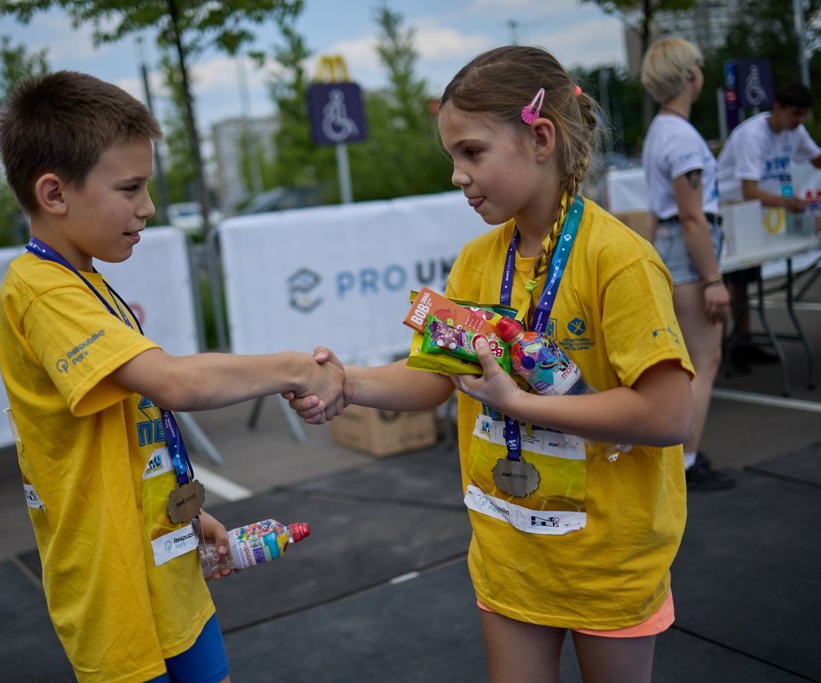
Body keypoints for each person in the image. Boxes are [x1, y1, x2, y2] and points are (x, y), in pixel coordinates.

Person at [289, 46, 694, 683]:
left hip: (609, 559)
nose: (457, 174)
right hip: (510, 552)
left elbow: (669, 413)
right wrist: (348, 383)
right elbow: (432, 378)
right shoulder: (476, 261)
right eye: (451, 156)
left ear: (539, 139)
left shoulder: (619, 259)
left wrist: (521, 405)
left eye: (472, 152)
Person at [0, 71, 345, 683]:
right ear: (54, 194)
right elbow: (175, 384)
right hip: (115, 589)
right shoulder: (40, 291)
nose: (148, 206)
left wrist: (179, 511)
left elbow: (130, 424)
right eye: (130, 187)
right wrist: (292, 368)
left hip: (164, 558)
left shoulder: (86, 282)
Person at [640, 37, 736, 492]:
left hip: (675, 247)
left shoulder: (662, 129)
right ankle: (686, 463)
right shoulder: (680, 137)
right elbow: (692, 214)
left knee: (690, 362)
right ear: (691, 76)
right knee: (704, 360)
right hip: (688, 251)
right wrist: (713, 278)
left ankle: (683, 459)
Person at [716, 82, 821, 367]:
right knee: (730, 284)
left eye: (803, 116)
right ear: (777, 108)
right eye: (795, 114)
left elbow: (816, 159)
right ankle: (726, 349)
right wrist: (787, 202)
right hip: (729, 213)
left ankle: (743, 340)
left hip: (755, 215)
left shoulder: (794, 131)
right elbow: (749, 190)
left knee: (745, 283)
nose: (799, 122)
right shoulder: (753, 136)